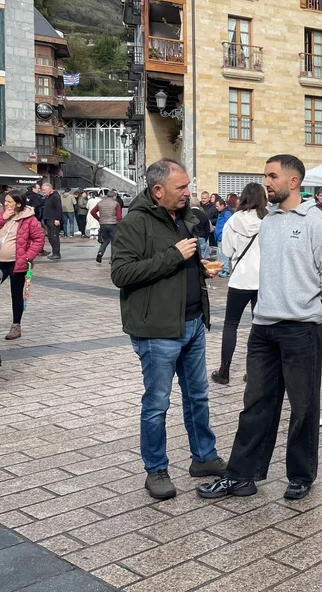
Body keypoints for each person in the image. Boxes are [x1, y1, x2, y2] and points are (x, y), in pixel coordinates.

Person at [197, 155, 322, 502]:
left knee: (303, 405)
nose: (266, 182)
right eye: (265, 175)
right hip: (263, 327)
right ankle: (241, 476)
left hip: (301, 329)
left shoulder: (316, 223)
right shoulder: (270, 221)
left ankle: (301, 476)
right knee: (256, 403)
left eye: (273, 176)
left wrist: (305, 304)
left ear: (293, 182)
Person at [111, 159, 225, 500]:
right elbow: (122, 274)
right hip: (157, 329)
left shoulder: (186, 218)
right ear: (158, 190)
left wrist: (200, 269)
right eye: (181, 187)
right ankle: (156, 469)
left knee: (198, 396)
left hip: (192, 322)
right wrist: (174, 256)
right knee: (157, 403)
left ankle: (203, 457)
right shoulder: (135, 223)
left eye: (188, 186)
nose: (188, 192)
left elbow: (182, 263)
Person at [211, 182, 267, 385]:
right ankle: (254, 371)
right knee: (258, 326)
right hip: (262, 280)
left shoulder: (234, 220)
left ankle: (224, 370)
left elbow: (226, 251)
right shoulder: (268, 220)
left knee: (230, 325)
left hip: (240, 279)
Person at [0, 191, 45, 341]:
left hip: (17, 262)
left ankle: (16, 326)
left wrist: (27, 257)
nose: (5, 204)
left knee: (16, 294)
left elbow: (39, 239)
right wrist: (2, 218)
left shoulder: (30, 219)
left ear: (18, 203)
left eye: (9, 202)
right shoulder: (3, 215)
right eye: (5, 201)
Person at [91, 190, 123, 264]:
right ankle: (112, 259)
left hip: (103, 224)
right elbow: (119, 217)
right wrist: (120, 224)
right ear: (114, 196)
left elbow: (93, 212)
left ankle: (100, 252)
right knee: (114, 242)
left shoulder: (100, 203)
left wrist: (99, 219)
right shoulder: (116, 204)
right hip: (113, 224)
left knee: (105, 240)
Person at [40, 183, 62, 260]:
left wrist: (57, 219)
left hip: (53, 219)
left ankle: (57, 253)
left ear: (50, 189)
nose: (43, 191)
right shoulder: (47, 197)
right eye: (42, 190)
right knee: (50, 237)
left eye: (44, 190)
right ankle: (54, 252)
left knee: (54, 237)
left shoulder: (55, 196)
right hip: (48, 219)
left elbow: (58, 208)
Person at [213, 197, 233, 277]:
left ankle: (226, 270)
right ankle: (222, 269)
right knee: (220, 254)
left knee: (224, 254)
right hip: (220, 236)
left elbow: (229, 224)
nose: (216, 208)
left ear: (222, 205)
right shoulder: (221, 213)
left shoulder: (226, 213)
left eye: (217, 206)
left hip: (223, 236)